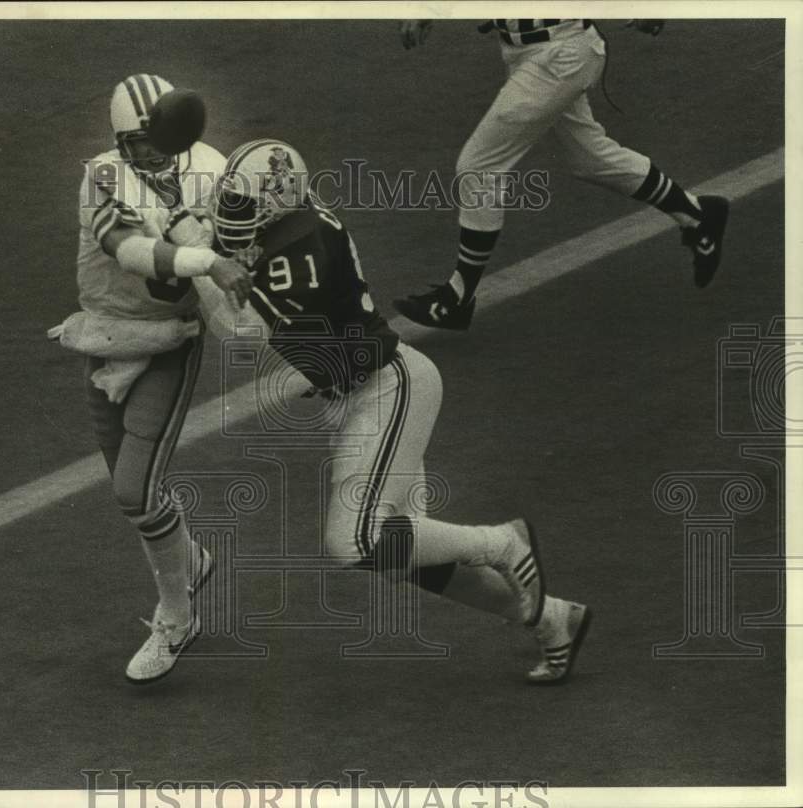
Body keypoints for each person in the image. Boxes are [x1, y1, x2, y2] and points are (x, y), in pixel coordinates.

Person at [198, 139, 592, 683]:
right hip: (366, 394)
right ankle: (555, 620)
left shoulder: (301, 247)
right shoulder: (291, 228)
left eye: (243, 206)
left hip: (387, 388)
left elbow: (249, 332)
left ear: (278, 200)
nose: (229, 216)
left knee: (353, 540)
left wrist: (194, 268)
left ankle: (502, 540)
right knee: (408, 558)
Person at [67, 74, 252, 683]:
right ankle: (189, 561)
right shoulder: (102, 175)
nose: (148, 150)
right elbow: (128, 251)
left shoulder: (215, 170)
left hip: (170, 338)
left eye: (157, 137)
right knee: (135, 495)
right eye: (135, 139)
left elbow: (245, 244)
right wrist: (205, 257)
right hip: (107, 334)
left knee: (134, 492)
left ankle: (178, 617)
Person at [392, 19, 730, 331]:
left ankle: (458, 296)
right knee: (590, 157)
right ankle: (698, 214)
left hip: (559, 53)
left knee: (479, 166)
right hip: (532, 53)